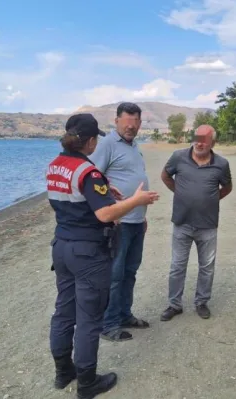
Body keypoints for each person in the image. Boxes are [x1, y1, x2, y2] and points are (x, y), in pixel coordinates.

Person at [46, 113, 160, 398]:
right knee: (88, 318)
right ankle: (87, 382)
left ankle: (63, 372)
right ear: (92, 141)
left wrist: (104, 187)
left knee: (64, 311)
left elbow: (73, 194)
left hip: (62, 245)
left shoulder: (56, 166)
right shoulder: (89, 172)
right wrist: (136, 201)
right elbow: (105, 213)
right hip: (88, 251)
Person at [88, 102, 152, 342]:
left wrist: (142, 216)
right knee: (114, 275)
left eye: (135, 123)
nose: (131, 127)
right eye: (127, 122)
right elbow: (93, 180)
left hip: (136, 221)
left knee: (130, 272)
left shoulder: (135, 147)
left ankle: (125, 314)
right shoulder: (106, 145)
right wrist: (109, 212)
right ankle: (109, 323)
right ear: (116, 121)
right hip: (118, 223)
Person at [159, 125, 232, 321]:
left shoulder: (222, 164)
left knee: (207, 266)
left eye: (205, 139)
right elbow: (165, 176)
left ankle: (202, 302)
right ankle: (174, 305)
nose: (200, 143)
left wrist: (210, 199)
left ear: (212, 143)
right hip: (182, 222)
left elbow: (227, 187)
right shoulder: (178, 157)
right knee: (177, 266)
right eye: (197, 138)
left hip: (208, 225)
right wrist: (180, 192)